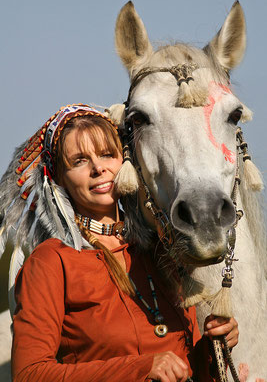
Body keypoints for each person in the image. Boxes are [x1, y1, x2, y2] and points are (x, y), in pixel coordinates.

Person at [0, 104, 238, 382]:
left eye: (106, 154)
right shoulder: (51, 262)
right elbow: (30, 375)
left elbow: (185, 367)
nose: (98, 168)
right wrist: (141, 368)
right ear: (59, 179)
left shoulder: (160, 251)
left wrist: (213, 348)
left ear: (123, 162)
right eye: (79, 161)